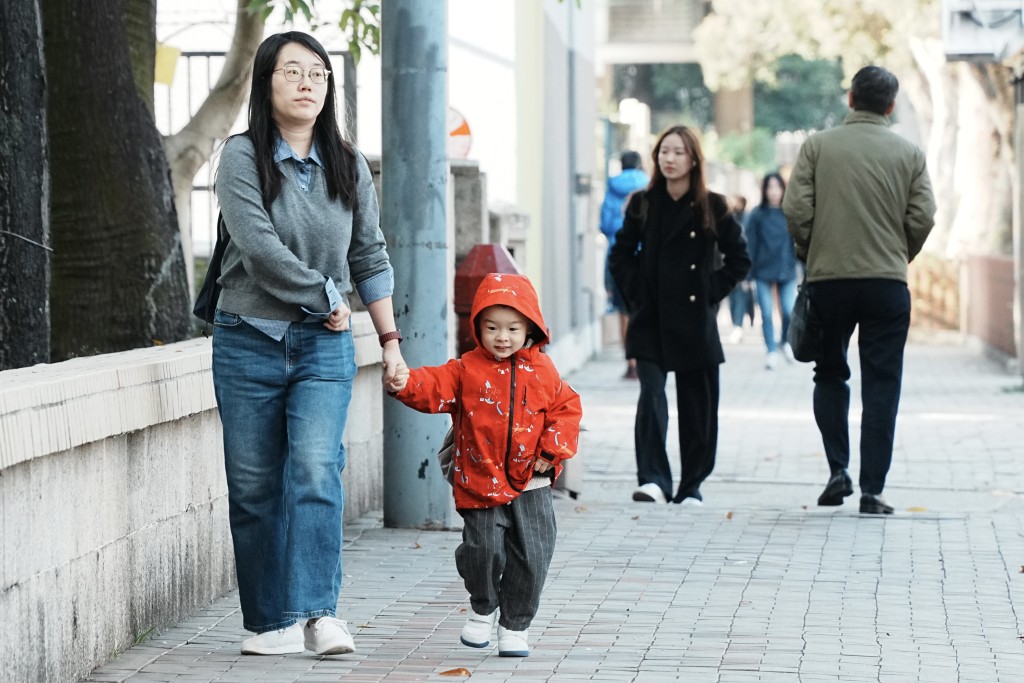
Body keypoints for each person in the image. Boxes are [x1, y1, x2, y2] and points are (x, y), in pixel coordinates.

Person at [212, 31, 406, 656]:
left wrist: (390, 340)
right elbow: (257, 246)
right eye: (292, 71)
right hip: (248, 340)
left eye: (318, 74)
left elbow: (369, 253)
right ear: (266, 82)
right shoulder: (241, 157)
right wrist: (326, 296)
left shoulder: (348, 164)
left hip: (325, 348)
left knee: (317, 469)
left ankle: (319, 614)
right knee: (254, 485)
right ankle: (272, 623)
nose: (307, 83)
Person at [385, 272, 582, 657]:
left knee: (534, 555)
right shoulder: (466, 369)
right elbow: (433, 385)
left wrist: (550, 450)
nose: (502, 337)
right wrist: (404, 382)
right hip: (481, 477)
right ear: (477, 327)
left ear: (531, 329)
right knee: (483, 549)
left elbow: (566, 410)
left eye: (512, 328)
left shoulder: (544, 372)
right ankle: (483, 606)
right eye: (492, 327)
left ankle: (515, 626)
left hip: (532, 483)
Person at [782, 65, 936, 515]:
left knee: (830, 372)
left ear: (850, 99)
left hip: (829, 281)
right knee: (882, 383)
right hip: (886, 284)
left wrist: (814, 249)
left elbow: (796, 208)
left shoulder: (817, 147)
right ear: (890, 105)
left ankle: (838, 469)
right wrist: (896, 254)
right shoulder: (910, 154)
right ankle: (872, 489)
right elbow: (923, 216)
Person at [608, 126, 750, 506]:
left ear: (693, 160)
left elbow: (740, 259)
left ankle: (691, 485)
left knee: (697, 405)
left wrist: (708, 293)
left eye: (678, 152)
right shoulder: (643, 203)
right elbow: (620, 255)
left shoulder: (713, 206)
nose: (669, 159)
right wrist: (639, 293)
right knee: (651, 395)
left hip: (693, 319)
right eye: (663, 152)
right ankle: (653, 478)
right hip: (651, 317)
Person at [599, 150, 649, 379]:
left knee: (622, 310)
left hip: (618, 254)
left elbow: (605, 224)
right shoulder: (649, 184)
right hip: (645, 254)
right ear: (639, 164)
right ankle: (644, 357)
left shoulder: (612, 187)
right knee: (644, 309)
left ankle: (630, 361)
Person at [746, 172, 799, 368]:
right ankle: (770, 350)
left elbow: (798, 241)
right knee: (766, 313)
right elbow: (750, 244)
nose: (774, 192)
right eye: (770, 187)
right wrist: (747, 273)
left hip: (786, 268)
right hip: (761, 270)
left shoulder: (790, 213)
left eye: (778, 187)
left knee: (788, 311)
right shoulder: (757, 214)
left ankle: (784, 342)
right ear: (764, 190)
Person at [725, 195, 755, 344]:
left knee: (741, 296)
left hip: (743, 262)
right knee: (732, 297)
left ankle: (738, 326)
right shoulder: (729, 217)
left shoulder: (749, 218)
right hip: (728, 263)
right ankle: (736, 325)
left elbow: (751, 243)